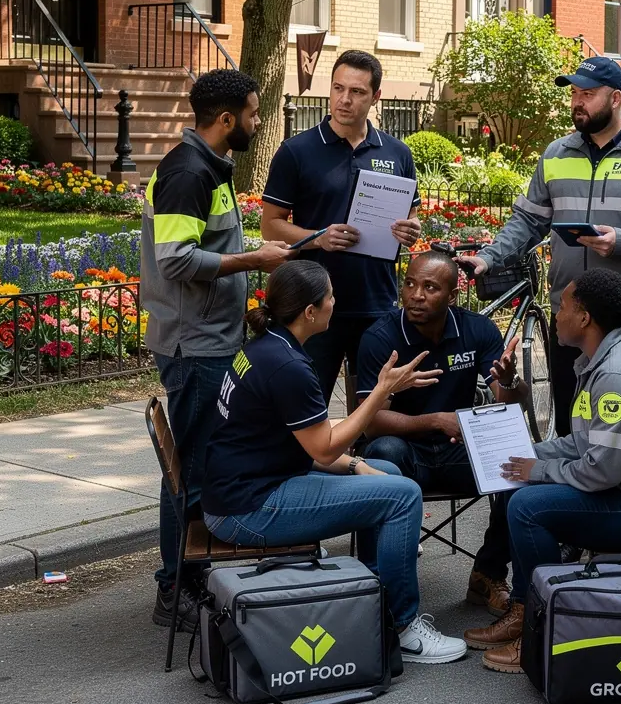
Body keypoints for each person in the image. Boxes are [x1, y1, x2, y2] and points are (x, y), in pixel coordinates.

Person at [201, 261, 468, 664]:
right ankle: (403, 626)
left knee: (390, 475)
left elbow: (310, 444)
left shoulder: (267, 345)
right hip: (247, 507)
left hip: (246, 485)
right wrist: (380, 393)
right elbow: (323, 449)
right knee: (404, 496)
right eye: (330, 296)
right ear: (311, 311)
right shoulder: (288, 366)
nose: (334, 303)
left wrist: (356, 465)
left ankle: (371, 596)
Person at [463, 269, 621, 673]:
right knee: (515, 485)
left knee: (526, 507)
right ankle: (526, 609)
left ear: (585, 318)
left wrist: (537, 469)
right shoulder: (602, 360)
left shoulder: (616, 376)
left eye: (563, 306)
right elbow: (581, 444)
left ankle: (548, 627)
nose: (555, 313)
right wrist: (520, 456)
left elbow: (600, 473)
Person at [460, 56, 621, 438]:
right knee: (572, 427)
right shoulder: (556, 154)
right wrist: (489, 257)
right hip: (569, 316)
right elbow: (527, 220)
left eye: (588, 94)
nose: (577, 102)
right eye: (574, 93)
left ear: (617, 98)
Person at [142, 69, 291, 631]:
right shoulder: (187, 173)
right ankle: (173, 589)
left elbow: (212, 250)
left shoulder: (212, 168)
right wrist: (255, 261)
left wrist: (242, 300)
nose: (258, 122)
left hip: (212, 336)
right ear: (226, 120)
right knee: (192, 468)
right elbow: (176, 260)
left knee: (203, 460)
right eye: (254, 113)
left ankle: (196, 576)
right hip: (194, 346)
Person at [358, 249, 525, 616]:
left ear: (452, 297)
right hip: (405, 451)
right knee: (382, 453)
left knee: (518, 466)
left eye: (430, 287)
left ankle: (488, 573)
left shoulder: (477, 330)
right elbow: (369, 422)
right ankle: (379, 586)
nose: (416, 295)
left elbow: (508, 403)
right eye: (410, 284)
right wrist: (435, 420)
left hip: (455, 448)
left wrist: (511, 380)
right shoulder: (380, 337)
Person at [260, 50, 421, 401]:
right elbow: (270, 227)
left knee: (375, 412)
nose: (344, 100)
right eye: (338, 88)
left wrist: (411, 229)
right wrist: (319, 238)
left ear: (376, 96)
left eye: (357, 92)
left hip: (376, 303)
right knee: (306, 407)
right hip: (313, 306)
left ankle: (367, 459)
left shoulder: (397, 153)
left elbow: (411, 216)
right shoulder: (296, 151)